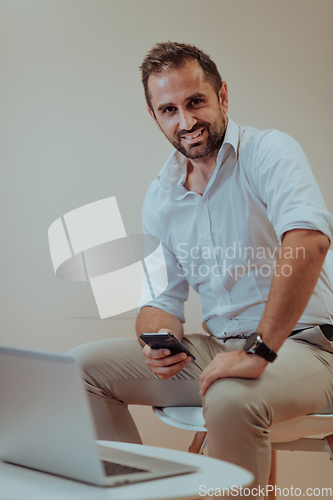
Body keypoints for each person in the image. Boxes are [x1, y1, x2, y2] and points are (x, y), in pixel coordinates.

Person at [69, 42, 333, 497]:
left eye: (195, 102)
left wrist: (259, 351)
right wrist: (158, 342)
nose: (185, 122)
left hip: (305, 348)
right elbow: (159, 300)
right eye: (169, 109)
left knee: (230, 396)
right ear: (154, 116)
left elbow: (308, 241)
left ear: (222, 96)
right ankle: (128, 493)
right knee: (77, 369)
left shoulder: (268, 151)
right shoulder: (161, 196)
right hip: (220, 348)